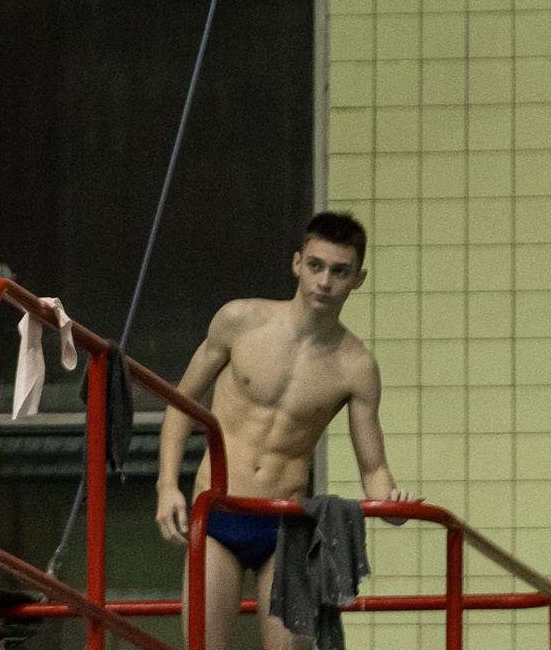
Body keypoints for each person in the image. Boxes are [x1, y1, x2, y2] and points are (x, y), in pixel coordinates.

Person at [156, 211, 403, 650]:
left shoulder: (356, 366)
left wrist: (391, 505)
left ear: (358, 279)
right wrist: (166, 486)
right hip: (218, 509)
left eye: (339, 271)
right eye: (316, 266)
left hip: (286, 524)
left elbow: (374, 467)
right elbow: (181, 404)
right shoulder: (240, 320)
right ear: (297, 263)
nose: (324, 282)